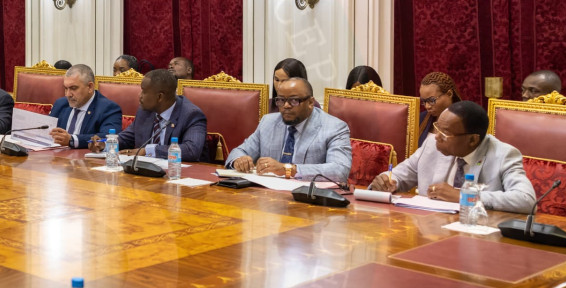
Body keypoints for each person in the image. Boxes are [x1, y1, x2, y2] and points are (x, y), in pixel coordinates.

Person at [369, 101, 535, 212]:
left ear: (472, 140)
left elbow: (526, 200)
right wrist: (387, 181)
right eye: (437, 128)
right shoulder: (431, 144)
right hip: (431, 231)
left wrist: (462, 196)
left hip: (477, 236)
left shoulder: (504, 154)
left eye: (445, 132)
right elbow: (400, 175)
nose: (437, 136)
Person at [227, 77, 352, 182]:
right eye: (281, 100)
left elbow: (340, 170)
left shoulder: (334, 127)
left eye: (294, 100)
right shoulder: (268, 122)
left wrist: (288, 169)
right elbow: (239, 151)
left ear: (310, 102)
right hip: (268, 197)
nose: (286, 106)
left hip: (308, 198)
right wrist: (239, 160)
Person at [94, 68, 207, 161]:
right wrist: (104, 144)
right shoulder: (145, 111)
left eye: (144, 91)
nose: (139, 95)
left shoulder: (191, 115)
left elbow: (191, 150)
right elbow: (127, 138)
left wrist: (148, 151)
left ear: (160, 97)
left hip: (179, 174)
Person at [48, 64, 122, 148]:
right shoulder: (60, 104)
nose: (68, 94)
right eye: (65, 88)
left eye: (73, 88)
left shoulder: (108, 108)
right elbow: (47, 132)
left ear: (90, 87)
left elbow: (109, 137)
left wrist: (72, 140)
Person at [417, 71, 461, 144]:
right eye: (424, 101)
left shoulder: (465, 122)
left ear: (449, 94)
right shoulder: (420, 119)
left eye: (432, 100)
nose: (427, 106)